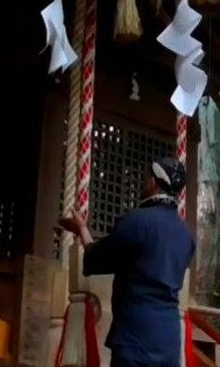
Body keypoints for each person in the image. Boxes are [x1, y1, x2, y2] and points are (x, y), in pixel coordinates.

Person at [60, 157, 196, 367]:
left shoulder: (135, 221)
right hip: (169, 337)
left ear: (153, 182)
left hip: (135, 333)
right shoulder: (187, 236)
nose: (142, 181)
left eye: (145, 177)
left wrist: (82, 229)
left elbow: (96, 258)